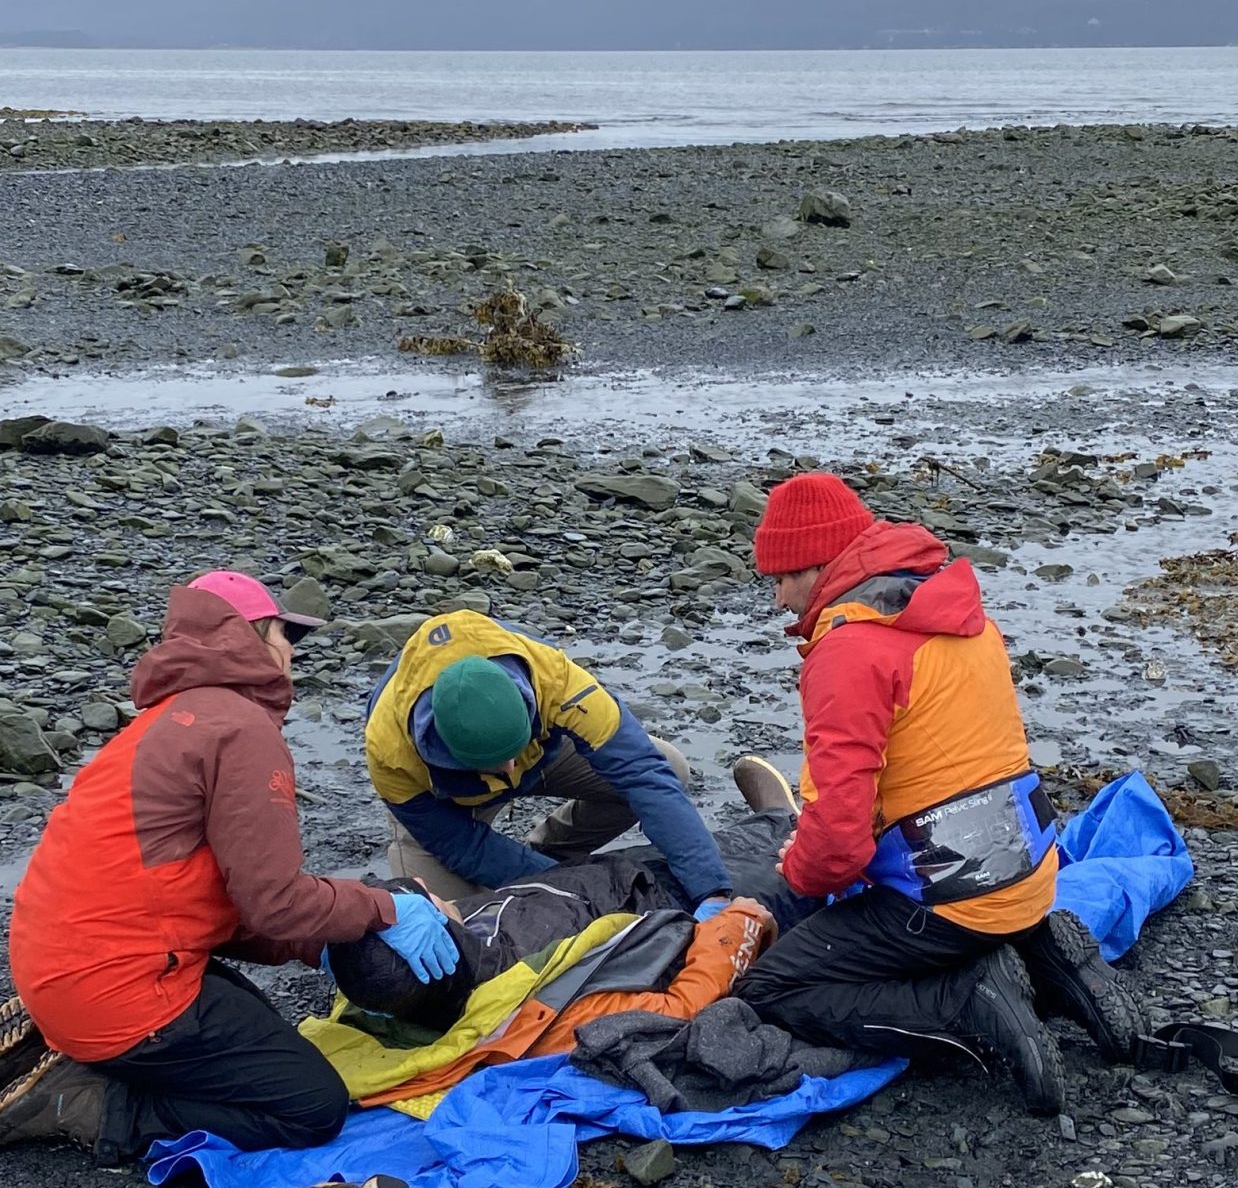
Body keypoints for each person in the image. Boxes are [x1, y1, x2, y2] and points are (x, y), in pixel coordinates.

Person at [0, 572, 462, 1159]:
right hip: (120, 985)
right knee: (310, 1107)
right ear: (252, 635)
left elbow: (204, 900)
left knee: (260, 1035)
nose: (292, 652)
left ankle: (63, 1033)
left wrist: (320, 945)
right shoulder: (240, 730)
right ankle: (85, 1100)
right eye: (287, 635)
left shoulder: (164, 721)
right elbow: (276, 902)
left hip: (65, 962)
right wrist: (385, 908)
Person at [729, 473, 1137, 1113]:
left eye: (781, 579)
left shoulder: (849, 650)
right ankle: (1043, 953)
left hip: (951, 901)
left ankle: (968, 1003)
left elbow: (837, 843)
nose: (779, 599)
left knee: (773, 987)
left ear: (819, 565)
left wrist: (799, 874)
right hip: (1033, 873)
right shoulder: (965, 616)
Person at [362, 608, 731, 915]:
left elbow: (642, 773)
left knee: (670, 766)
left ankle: (554, 850)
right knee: (451, 920)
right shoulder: (390, 750)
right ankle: (537, 872)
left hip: (540, 757)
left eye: (510, 751)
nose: (508, 768)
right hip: (449, 799)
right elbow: (463, 846)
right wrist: (569, 885)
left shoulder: (553, 677)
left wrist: (711, 887)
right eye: (494, 761)